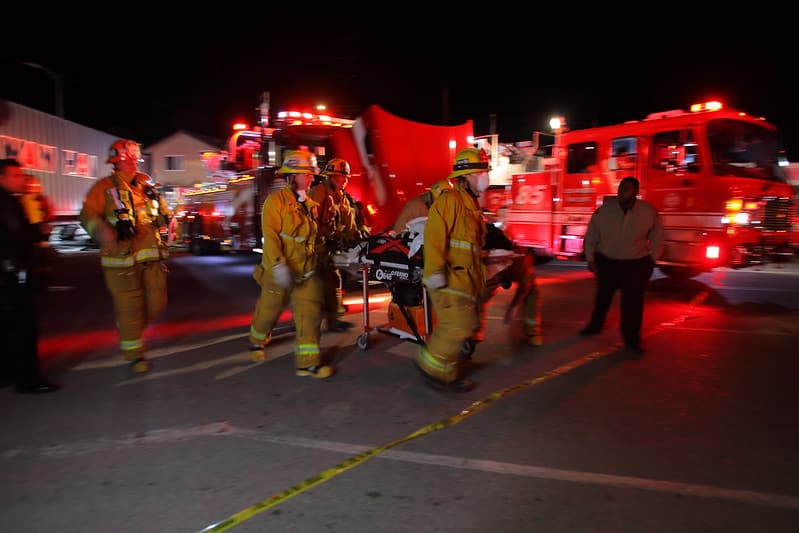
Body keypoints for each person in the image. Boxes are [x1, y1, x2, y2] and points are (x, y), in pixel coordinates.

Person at [79, 139, 171, 373]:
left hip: (151, 259)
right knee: (129, 307)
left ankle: (129, 328)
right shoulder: (102, 189)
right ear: (115, 163)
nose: (131, 164)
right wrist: (100, 230)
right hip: (120, 260)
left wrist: (171, 222)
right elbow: (87, 215)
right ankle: (135, 355)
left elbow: (164, 213)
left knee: (157, 303)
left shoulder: (147, 187)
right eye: (125, 160)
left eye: (133, 160)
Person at [248, 149, 332, 379]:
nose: (313, 178)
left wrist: (332, 255)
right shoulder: (275, 203)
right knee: (268, 311)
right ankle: (257, 341)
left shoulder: (312, 205)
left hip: (307, 271)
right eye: (309, 174)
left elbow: (314, 240)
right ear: (294, 175)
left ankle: (308, 363)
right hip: (280, 271)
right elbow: (271, 238)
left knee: (310, 315)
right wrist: (277, 266)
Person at [414, 147, 490, 393]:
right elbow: (434, 237)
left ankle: (446, 373)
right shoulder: (450, 201)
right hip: (448, 277)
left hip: (464, 278)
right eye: (480, 172)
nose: (485, 177)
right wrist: (435, 272)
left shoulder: (471, 205)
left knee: (461, 326)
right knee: (457, 326)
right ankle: (430, 366)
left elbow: (469, 244)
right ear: (466, 176)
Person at [579, 176, 664, 353]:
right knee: (602, 298)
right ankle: (595, 326)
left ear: (636, 192)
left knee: (632, 304)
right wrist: (590, 259)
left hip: (634, 264)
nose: (621, 192)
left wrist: (651, 260)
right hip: (608, 261)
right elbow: (592, 236)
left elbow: (658, 238)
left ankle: (632, 339)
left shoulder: (648, 212)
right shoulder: (605, 211)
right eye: (620, 188)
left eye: (626, 188)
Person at [0, 159, 58, 393]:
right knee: (23, 327)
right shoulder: (6, 204)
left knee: (7, 326)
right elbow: (17, 235)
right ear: (1, 177)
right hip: (12, 273)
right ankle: (28, 379)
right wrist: (39, 230)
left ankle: (9, 373)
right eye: (16, 175)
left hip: (7, 273)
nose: (22, 179)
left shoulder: (10, 201)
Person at [308, 158, 361, 332]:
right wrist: (318, 248)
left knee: (333, 280)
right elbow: (308, 225)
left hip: (327, 248)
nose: (344, 181)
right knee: (313, 286)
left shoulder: (341, 197)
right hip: (313, 249)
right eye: (340, 177)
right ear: (330, 177)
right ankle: (306, 322)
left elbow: (349, 223)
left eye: (346, 178)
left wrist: (357, 238)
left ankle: (334, 321)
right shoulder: (318, 194)